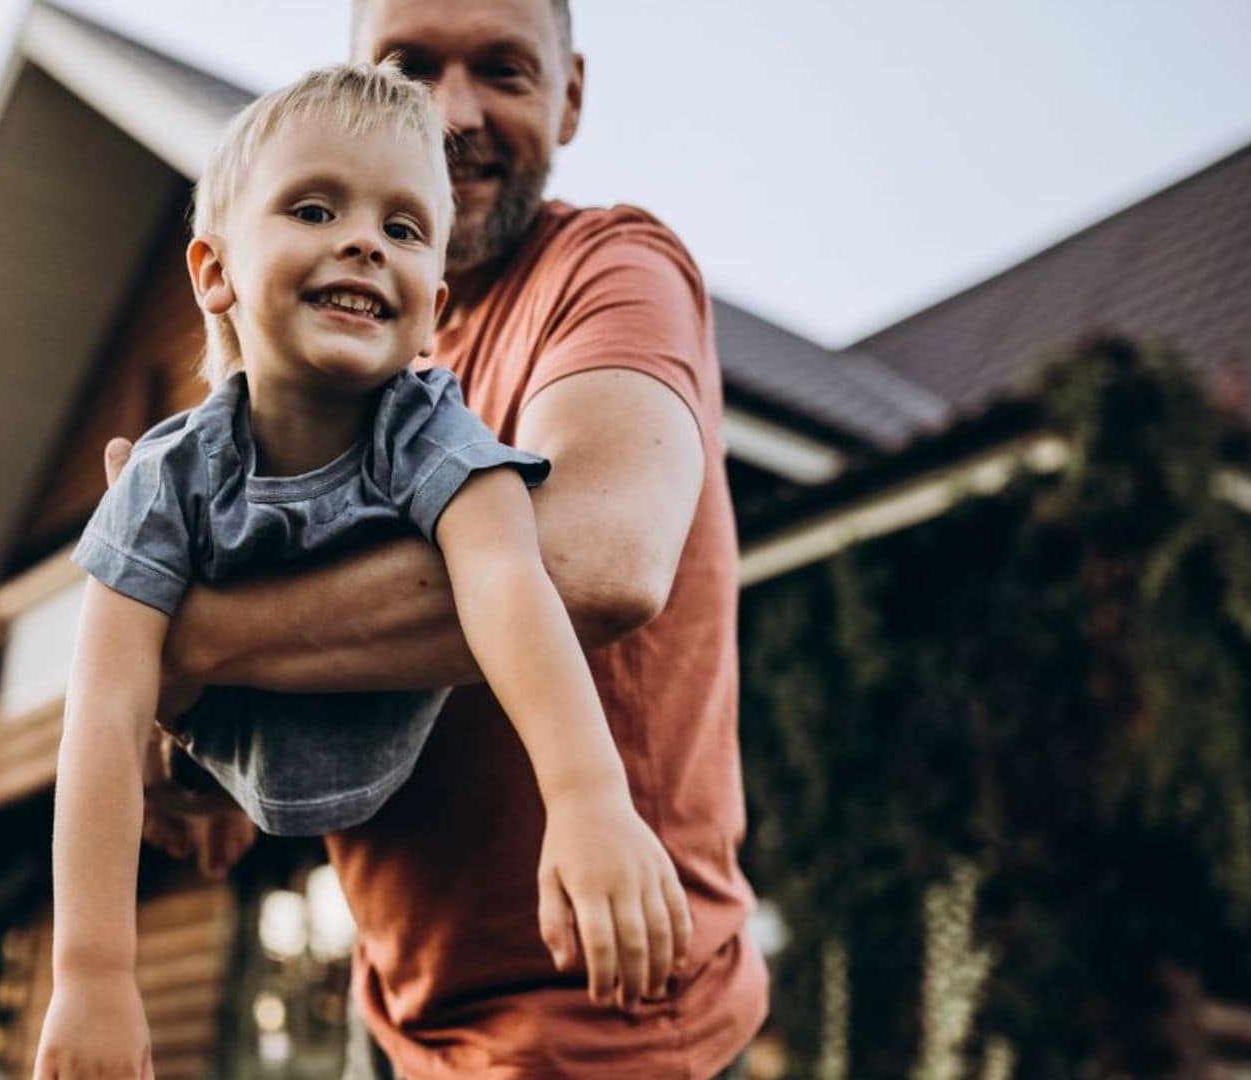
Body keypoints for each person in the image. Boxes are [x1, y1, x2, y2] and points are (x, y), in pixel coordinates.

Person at [132, 2, 771, 1077]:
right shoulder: (347, 359)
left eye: (505, 72)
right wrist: (194, 740)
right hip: (401, 1021)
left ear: (570, 98)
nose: (454, 112)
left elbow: (598, 560)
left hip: (607, 1016)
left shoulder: (612, 269)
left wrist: (197, 641)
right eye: (411, 66)